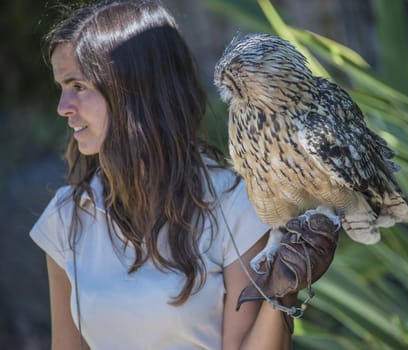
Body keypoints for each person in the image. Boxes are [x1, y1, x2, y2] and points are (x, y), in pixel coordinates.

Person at [30, 1, 339, 349]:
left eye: (78, 86)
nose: (63, 107)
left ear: (134, 89)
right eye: (62, 87)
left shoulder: (234, 204)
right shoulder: (66, 217)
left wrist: (281, 296)